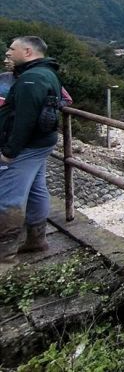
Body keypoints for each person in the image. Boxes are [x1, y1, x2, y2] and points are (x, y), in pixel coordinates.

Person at [0, 36, 63, 266]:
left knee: (7, 198)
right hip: (41, 142)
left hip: (26, 146)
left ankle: (4, 255)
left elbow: (24, 120)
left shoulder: (31, 78)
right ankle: (36, 240)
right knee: (37, 190)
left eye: (12, 49)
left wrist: (9, 151)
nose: (8, 52)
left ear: (27, 52)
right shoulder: (46, 72)